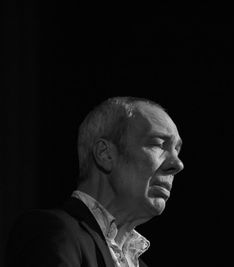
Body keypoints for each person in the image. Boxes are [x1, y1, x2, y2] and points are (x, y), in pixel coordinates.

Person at [5, 97, 184, 267]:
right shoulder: (52, 233)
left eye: (177, 150)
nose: (178, 164)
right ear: (105, 154)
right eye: (159, 144)